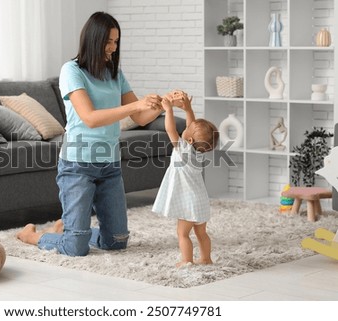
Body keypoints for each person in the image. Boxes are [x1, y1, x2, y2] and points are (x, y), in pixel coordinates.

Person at [16, 12, 163, 256]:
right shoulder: (72, 71)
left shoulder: (115, 73)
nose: (113, 48)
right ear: (93, 39)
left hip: (110, 166)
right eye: (109, 41)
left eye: (116, 42)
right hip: (77, 165)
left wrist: (158, 106)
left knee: (117, 241)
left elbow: (139, 118)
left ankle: (73, 230)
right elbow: (90, 118)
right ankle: (34, 235)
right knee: (76, 249)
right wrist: (137, 105)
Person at [152, 90, 219, 268]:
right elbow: (192, 126)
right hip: (201, 202)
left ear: (188, 139)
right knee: (201, 234)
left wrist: (168, 109)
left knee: (182, 234)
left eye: (186, 130)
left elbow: (170, 129)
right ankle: (206, 258)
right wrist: (188, 109)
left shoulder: (182, 149)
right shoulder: (199, 153)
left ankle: (187, 260)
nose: (185, 128)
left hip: (189, 204)